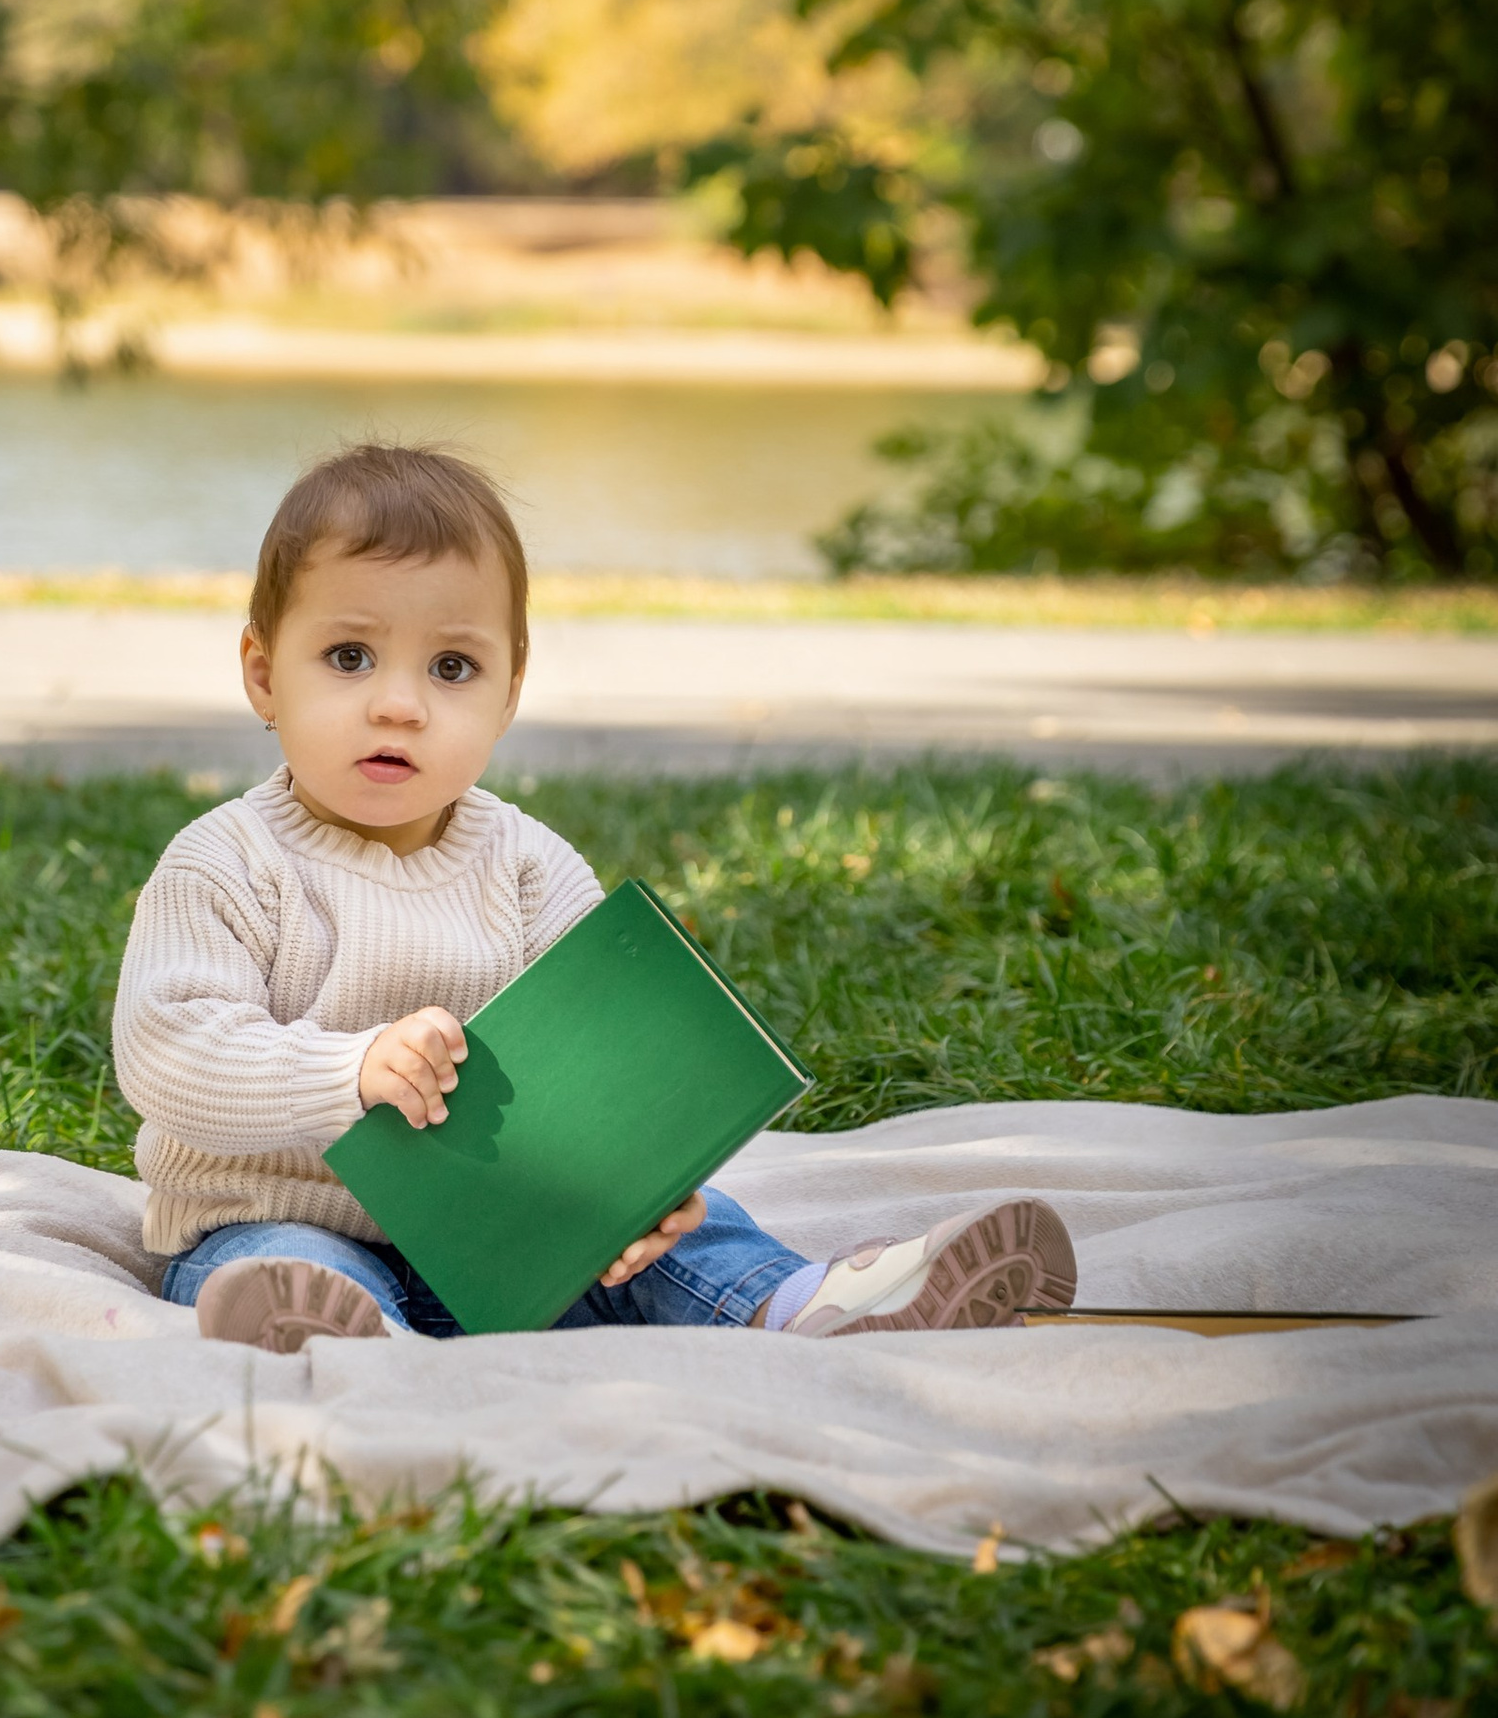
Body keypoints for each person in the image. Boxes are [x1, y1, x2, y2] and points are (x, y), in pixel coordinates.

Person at [114, 440, 1078, 1355]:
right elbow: (168, 1052)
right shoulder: (229, 863)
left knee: (697, 1229)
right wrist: (350, 1069)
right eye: (350, 657)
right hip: (280, 1215)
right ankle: (354, 1345)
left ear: (507, 694)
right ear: (263, 675)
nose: (399, 704)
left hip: (509, 1242)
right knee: (278, 1266)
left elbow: (608, 1066)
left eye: (452, 668)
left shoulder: (528, 867)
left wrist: (642, 1184)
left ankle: (806, 1303)